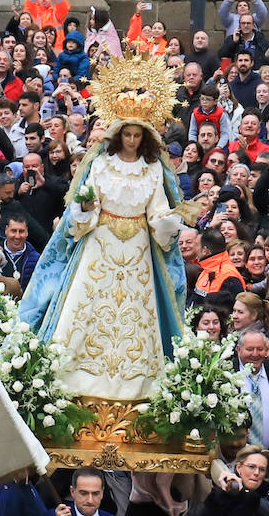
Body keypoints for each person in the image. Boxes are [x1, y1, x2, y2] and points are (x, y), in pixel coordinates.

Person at [17, 56, 189, 401]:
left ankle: (139, 385)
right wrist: (84, 209)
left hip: (138, 247)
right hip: (101, 241)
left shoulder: (153, 168)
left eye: (137, 135)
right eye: (127, 134)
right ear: (117, 134)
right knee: (86, 308)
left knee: (137, 314)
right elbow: (84, 204)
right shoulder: (102, 164)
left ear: (145, 137)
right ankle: (73, 380)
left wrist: (168, 221)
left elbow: (157, 209)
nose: (131, 140)